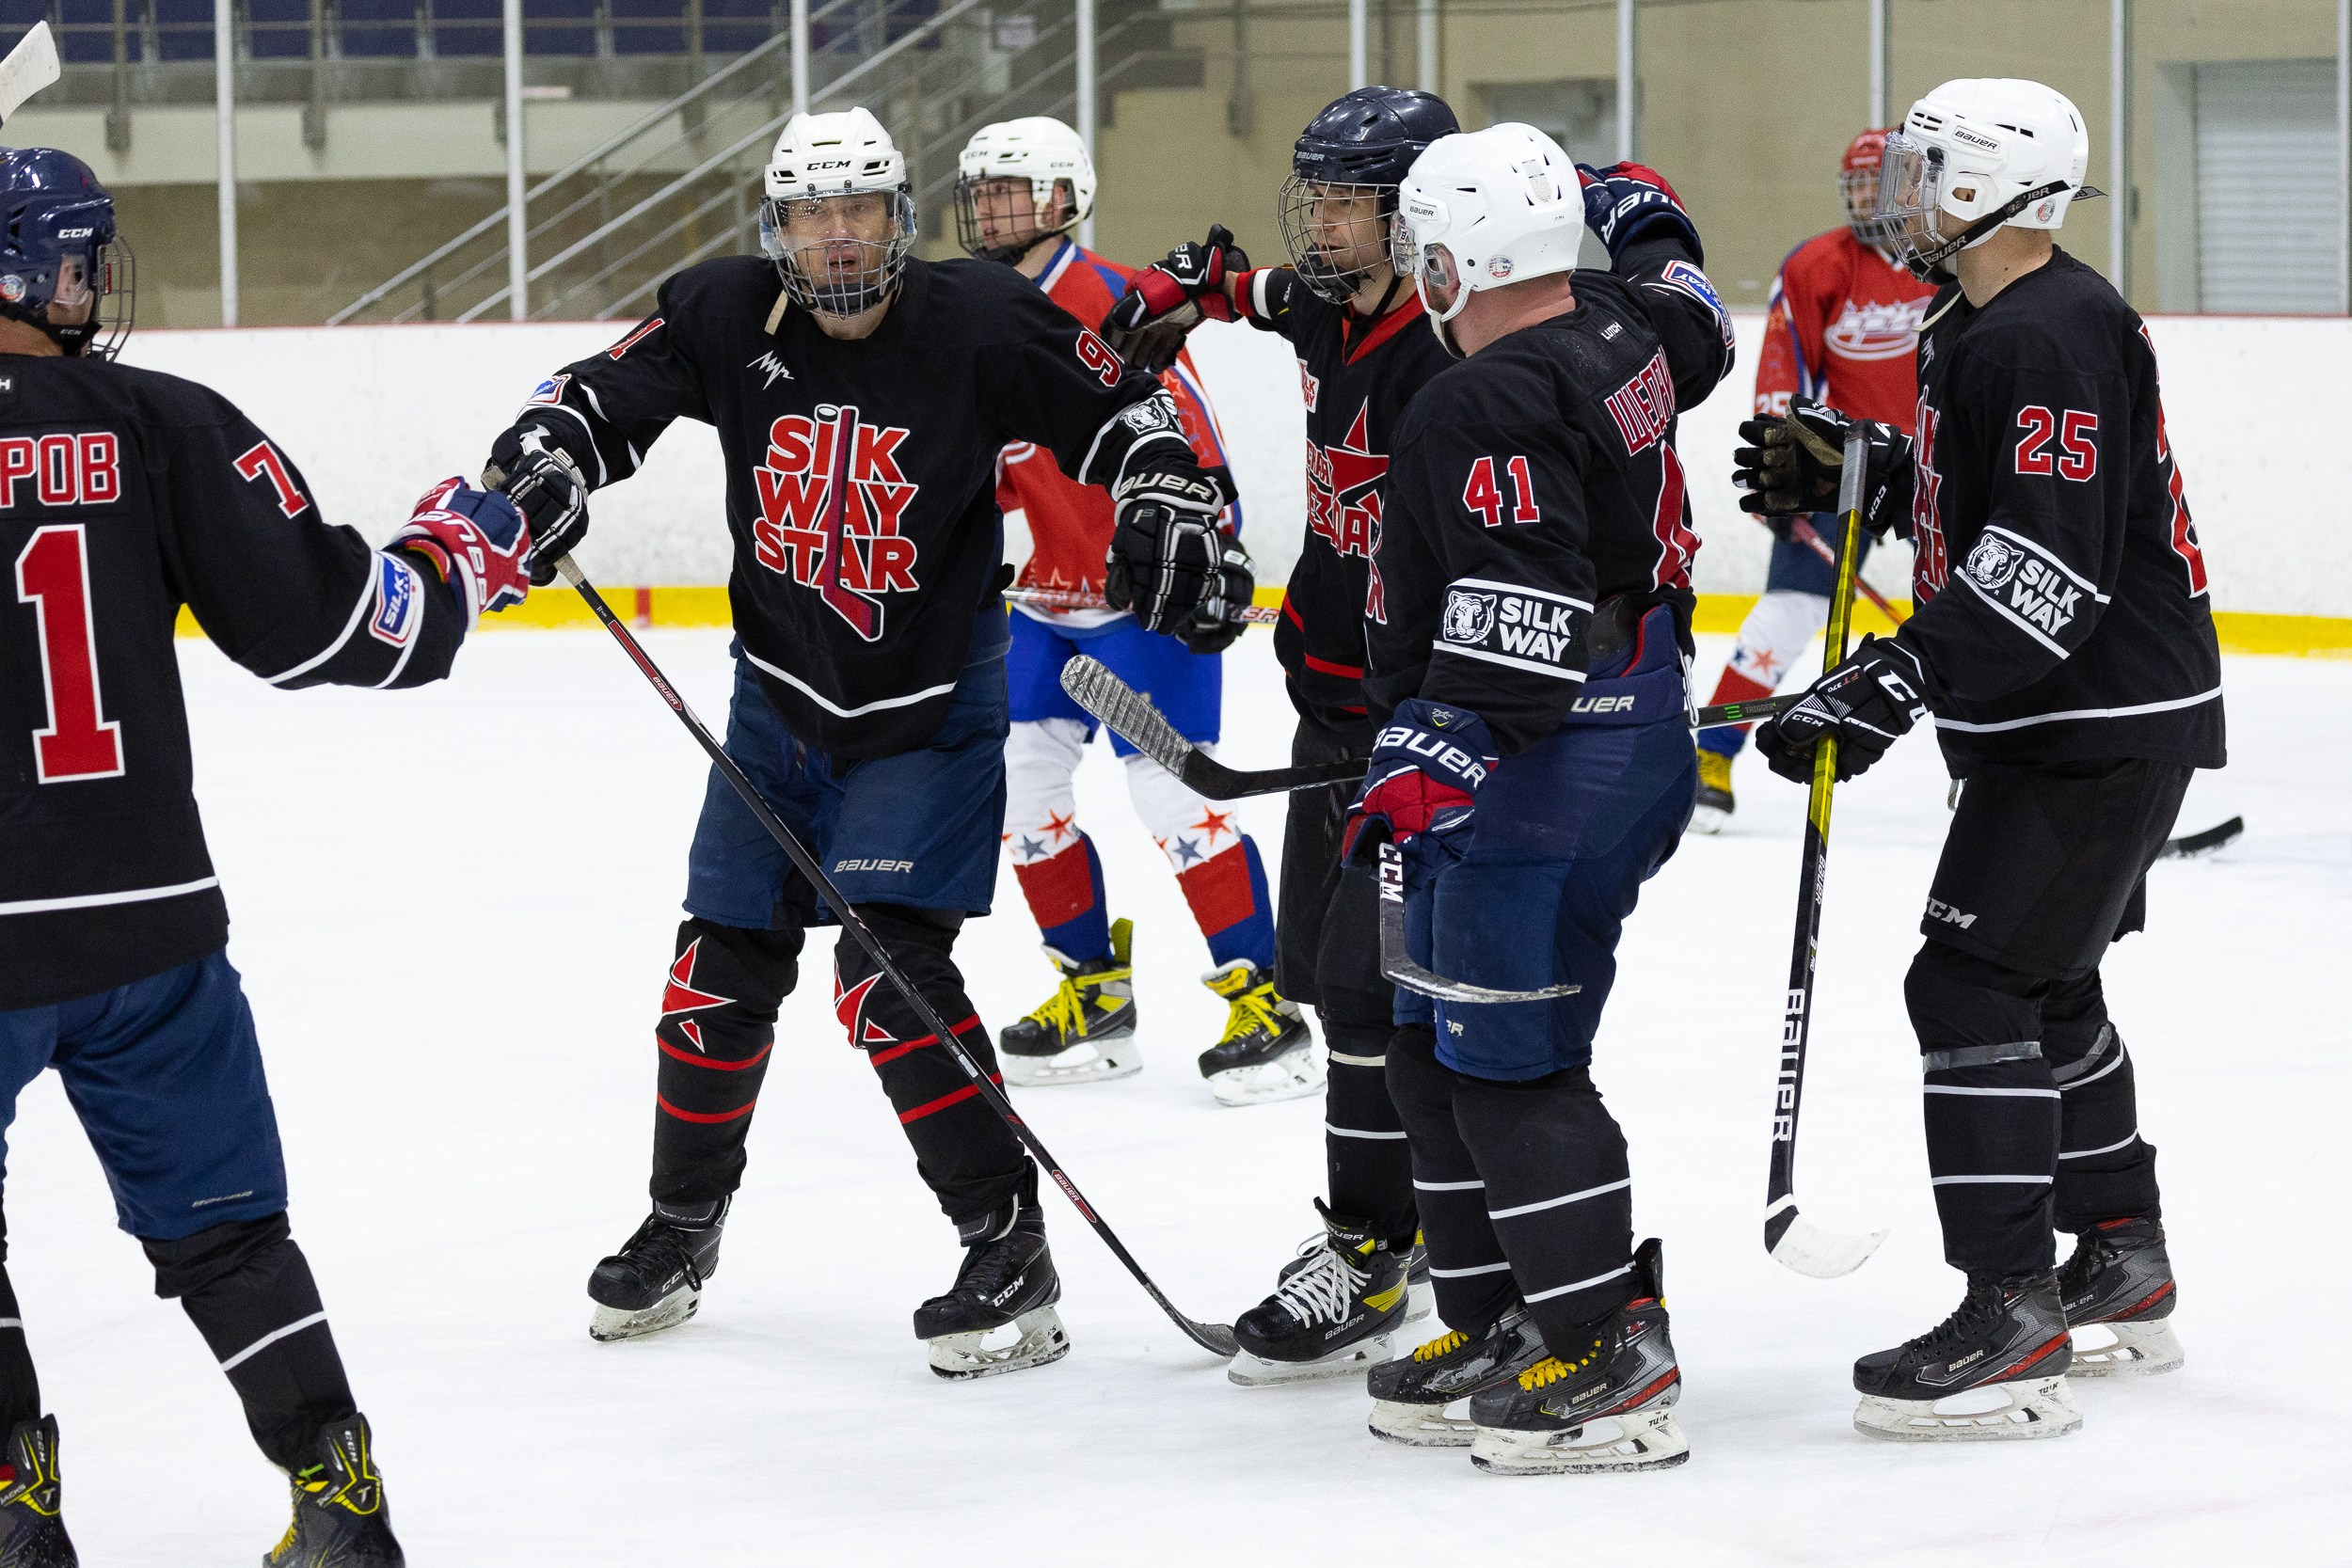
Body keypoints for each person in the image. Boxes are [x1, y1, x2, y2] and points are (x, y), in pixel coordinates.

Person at [502, 107, 1247, 1380]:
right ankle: (683, 1224)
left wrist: (1170, 493)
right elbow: (594, 399)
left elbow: (1129, 410)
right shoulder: (726, 310)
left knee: (885, 976)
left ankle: (1006, 1244)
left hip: (925, 711)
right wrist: (546, 461)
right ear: (775, 225)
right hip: (780, 699)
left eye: (859, 210)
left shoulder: (975, 319)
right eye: (810, 212)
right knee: (714, 973)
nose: (836, 237)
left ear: (900, 217)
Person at [0, 149, 532, 1565]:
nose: (86, 289)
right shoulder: (159, 418)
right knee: (229, 1235)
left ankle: (11, 1513)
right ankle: (337, 1497)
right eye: (71, 263)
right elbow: (341, 630)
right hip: (149, 929)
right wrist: (463, 553)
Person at [1736, 77, 2218, 1441]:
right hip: (2084, 713)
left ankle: (2010, 1308)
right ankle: (2121, 1253)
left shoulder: (2049, 331)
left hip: (2095, 721)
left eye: (1926, 166)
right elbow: (2016, 497)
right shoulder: (1989, 318)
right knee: (2046, 984)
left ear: (1987, 187)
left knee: (1972, 985)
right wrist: (1880, 471)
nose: (1898, 190)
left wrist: (1892, 677)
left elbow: (2046, 567)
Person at [1343, 125, 1733, 1474]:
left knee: (1508, 1053)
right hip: (1582, 738)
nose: (1409, 272)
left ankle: (1607, 1347)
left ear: (1454, 259)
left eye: (1418, 251)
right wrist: (1641, 204)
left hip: (1548, 757)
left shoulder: (1477, 399)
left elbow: (1526, 611)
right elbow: (1692, 305)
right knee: (1424, 1037)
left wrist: (1428, 751)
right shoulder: (1622, 327)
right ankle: (1505, 1313)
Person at [1103, 85, 1463, 1382]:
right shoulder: (1327, 301)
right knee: (1334, 984)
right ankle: (1402, 1230)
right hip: (1333, 709)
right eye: (1313, 194)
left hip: (1423, 730)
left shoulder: (1461, 348)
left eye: (1348, 200)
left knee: (1397, 997)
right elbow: (1244, 292)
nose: (1322, 221)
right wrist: (1192, 288)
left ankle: (1385, 1243)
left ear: (1419, 209)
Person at [951, 117, 1290, 1096]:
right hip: (1046, 606)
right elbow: (993, 458)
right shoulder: (974, 305)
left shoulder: (1108, 299)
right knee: (1018, 786)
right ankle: (1094, 994)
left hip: (1143, 601)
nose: (989, 205)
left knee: (1176, 796)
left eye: (1010, 187)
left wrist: (1209, 530)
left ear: (1064, 197)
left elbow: (1188, 425)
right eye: (980, 189)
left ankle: (1267, 1003)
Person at [1691, 128, 1937, 831]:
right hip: (1845, 470)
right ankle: (1711, 753)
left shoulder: (1949, 265)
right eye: (1854, 183)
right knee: (1794, 606)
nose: (1863, 197)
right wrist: (1784, 471)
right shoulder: (1816, 264)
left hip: (1940, 466)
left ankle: (1983, 768)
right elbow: (1781, 369)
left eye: (1876, 182)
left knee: (1969, 622)